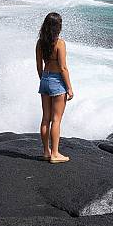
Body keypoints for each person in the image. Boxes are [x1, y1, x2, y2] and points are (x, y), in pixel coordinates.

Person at [36, 12, 74, 163]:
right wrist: (69, 88)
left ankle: (46, 151)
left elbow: (39, 66)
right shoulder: (60, 43)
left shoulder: (40, 43)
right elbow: (63, 68)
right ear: (58, 27)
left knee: (45, 118)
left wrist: (43, 79)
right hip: (57, 81)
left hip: (44, 79)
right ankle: (55, 154)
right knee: (56, 119)